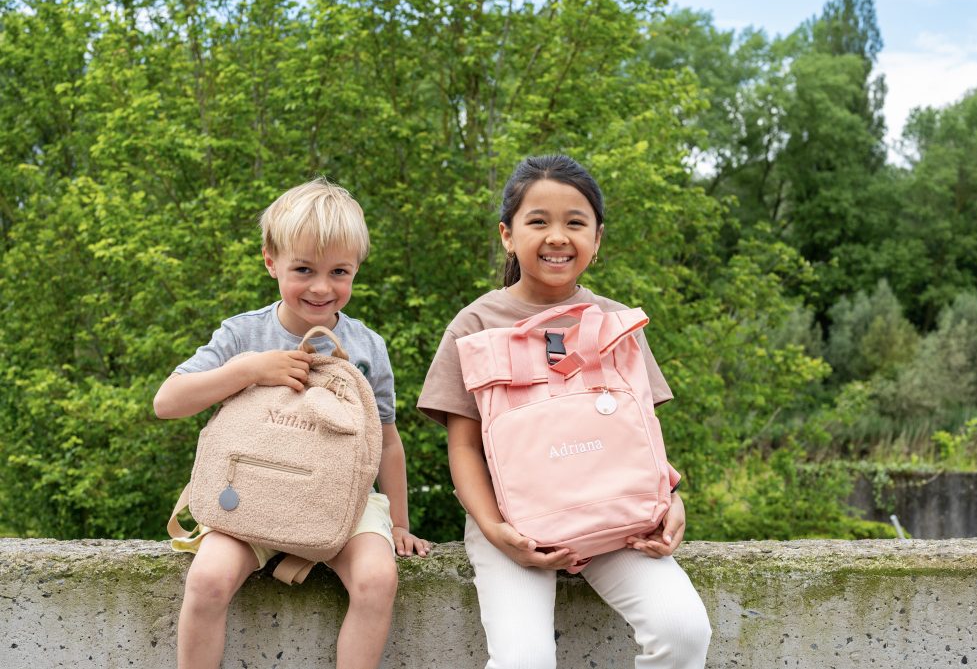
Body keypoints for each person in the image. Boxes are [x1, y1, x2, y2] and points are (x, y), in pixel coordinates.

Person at [418, 155, 712, 668]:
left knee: (682, 629)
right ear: (508, 235)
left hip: (613, 513)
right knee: (524, 661)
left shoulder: (617, 321)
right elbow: (463, 446)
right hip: (513, 523)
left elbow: (641, 428)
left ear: (597, 239)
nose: (557, 236)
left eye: (575, 222)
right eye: (539, 221)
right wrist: (495, 531)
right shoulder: (475, 324)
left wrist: (668, 495)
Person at [153, 177, 430, 669]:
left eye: (339, 272)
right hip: (253, 493)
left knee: (377, 580)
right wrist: (248, 371)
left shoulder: (369, 348)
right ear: (270, 261)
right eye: (303, 269)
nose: (322, 287)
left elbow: (386, 440)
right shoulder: (243, 334)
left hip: (345, 501)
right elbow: (167, 402)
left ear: (357, 269)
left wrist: (400, 523)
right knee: (208, 578)